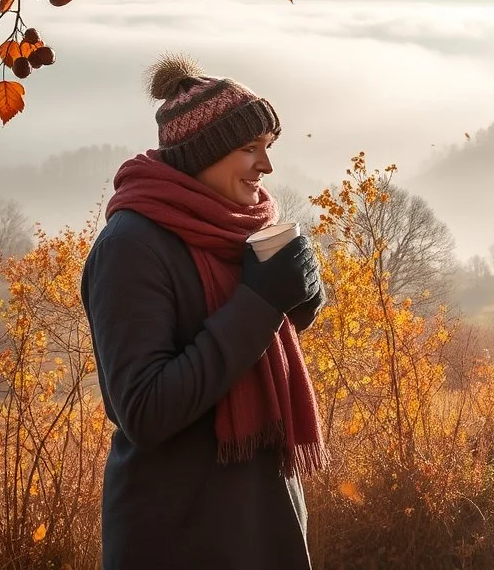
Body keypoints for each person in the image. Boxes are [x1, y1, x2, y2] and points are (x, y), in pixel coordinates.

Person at [81, 56, 328, 569]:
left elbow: (242, 350)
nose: (267, 165)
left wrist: (297, 303)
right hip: (178, 536)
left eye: (268, 148)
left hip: (263, 523)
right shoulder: (131, 247)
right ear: (202, 155)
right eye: (248, 148)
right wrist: (261, 303)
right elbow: (145, 410)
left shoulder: (236, 229)